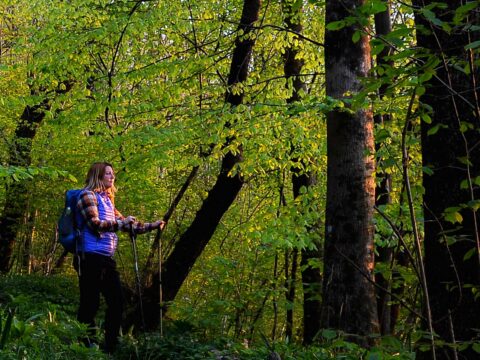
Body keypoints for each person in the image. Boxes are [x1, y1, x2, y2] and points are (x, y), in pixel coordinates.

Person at [73, 162, 165, 354]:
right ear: (97, 176)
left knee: (117, 301)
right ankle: (84, 344)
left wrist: (152, 225)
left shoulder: (108, 200)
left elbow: (129, 226)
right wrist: (121, 223)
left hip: (106, 259)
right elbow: (94, 224)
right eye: (108, 174)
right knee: (90, 303)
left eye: (113, 174)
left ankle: (111, 346)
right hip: (89, 257)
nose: (112, 177)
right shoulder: (87, 196)